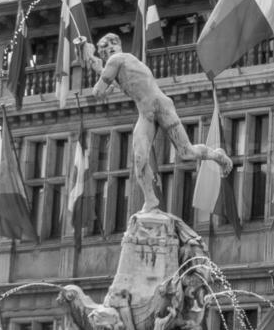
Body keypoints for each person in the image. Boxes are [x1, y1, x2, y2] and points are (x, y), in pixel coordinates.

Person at [86, 33, 232, 211]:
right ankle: (151, 200)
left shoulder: (117, 59)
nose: (109, 50)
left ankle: (217, 155)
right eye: (104, 50)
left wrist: (94, 62)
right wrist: (98, 68)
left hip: (160, 106)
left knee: (186, 152)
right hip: (145, 113)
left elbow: (97, 92)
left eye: (111, 46)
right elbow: (115, 86)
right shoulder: (120, 66)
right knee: (140, 159)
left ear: (118, 47)